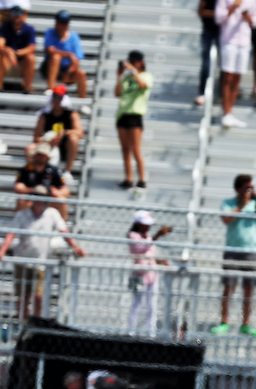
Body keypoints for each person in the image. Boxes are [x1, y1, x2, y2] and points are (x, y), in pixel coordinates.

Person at [0, 186, 86, 318]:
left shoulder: (52, 213)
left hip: (39, 263)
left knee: (38, 297)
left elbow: (64, 231)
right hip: (22, 261)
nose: (38, 201)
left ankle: (35, 326)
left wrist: (76, 247)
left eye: (41, 197)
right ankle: (22, 325)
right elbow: (11, 234)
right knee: (23, 297)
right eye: (36, 196)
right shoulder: (22, 215)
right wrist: (2, 251)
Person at [215, 173, 256, 335]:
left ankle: (245, 323)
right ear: (238, 188)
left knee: (249, 289)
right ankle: (224, 322)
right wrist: (242, 205)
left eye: (252, 188)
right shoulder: (228, 203)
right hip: (233, 250)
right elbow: (226, 219)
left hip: (252, 252)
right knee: (228, 287)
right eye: (247, 188)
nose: (250, 190)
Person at [127, 210, 172, 336]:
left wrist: (158, 261)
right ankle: (131, 331)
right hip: (139, 275)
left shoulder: (148, 237)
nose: (148, 226)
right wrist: (157, 235)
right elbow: (139, 250)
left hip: (152, 275)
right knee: (136, 304)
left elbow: (148, 254)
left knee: (152, 306)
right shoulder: (133, 235)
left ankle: (151, 333)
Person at [216, 0, 256, 128]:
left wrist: (248, 18)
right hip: (229, 41)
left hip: (244, 41)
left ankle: (230, 113)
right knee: (227, 78)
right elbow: (219, 18)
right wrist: (234, 6)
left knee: (237, 79)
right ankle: (226, 113)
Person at [24, 86, 82, 177]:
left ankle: (67, 171)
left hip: (65, 147)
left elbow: (79, 132)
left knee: (73, 139)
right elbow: (36, 137)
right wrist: (48, 141)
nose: (57, 101)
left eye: (59, 98)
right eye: (55, 97)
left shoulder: (72, 114)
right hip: (48, 146)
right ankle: (32, 173)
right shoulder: (44, 116)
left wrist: (64, 133)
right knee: (30, 148)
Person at [115, 50, 152, 189]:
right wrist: (119, 76)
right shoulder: (126, 77)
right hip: (123, 114)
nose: (131, 64)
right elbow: (117, 93)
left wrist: (134, 72)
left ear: (140, 62)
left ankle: (142, 178)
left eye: (133, 62)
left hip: (135, 115)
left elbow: (143, 86)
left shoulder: (146, 76)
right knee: (125, 149)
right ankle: (128, 178)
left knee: (136, 149)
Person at [43, 10, 88, 103]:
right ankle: (50, 89)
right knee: (56, 57)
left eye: (65, 23)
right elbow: (50, 50)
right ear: (56, 23)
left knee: (82, 74)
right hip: (49, 68)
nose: (63, 25)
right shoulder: (50, 33)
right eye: (61, 23)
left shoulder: (74, 37)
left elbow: (77, 59)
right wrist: (69, 54)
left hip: (67, 70)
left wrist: (69, 72)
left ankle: (83, 102)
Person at [0, 2, 34, 92]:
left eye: (19, 13)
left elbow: (32, 47)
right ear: (10, 15)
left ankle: (27, 87)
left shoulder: (29, 29)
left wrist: (15, 53)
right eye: (14, 13)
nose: (16, 15)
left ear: (23, 15)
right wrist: (8, 51)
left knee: (31, 58)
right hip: (7, 62)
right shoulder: (4, 28)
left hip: (21, 63)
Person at [195, 0, 218, 105]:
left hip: (224, 32)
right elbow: (200, 11)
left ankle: (221, 94)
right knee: (206, 64)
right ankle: (202, 92)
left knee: (225, 66)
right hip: (209, 30)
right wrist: (216, 14)